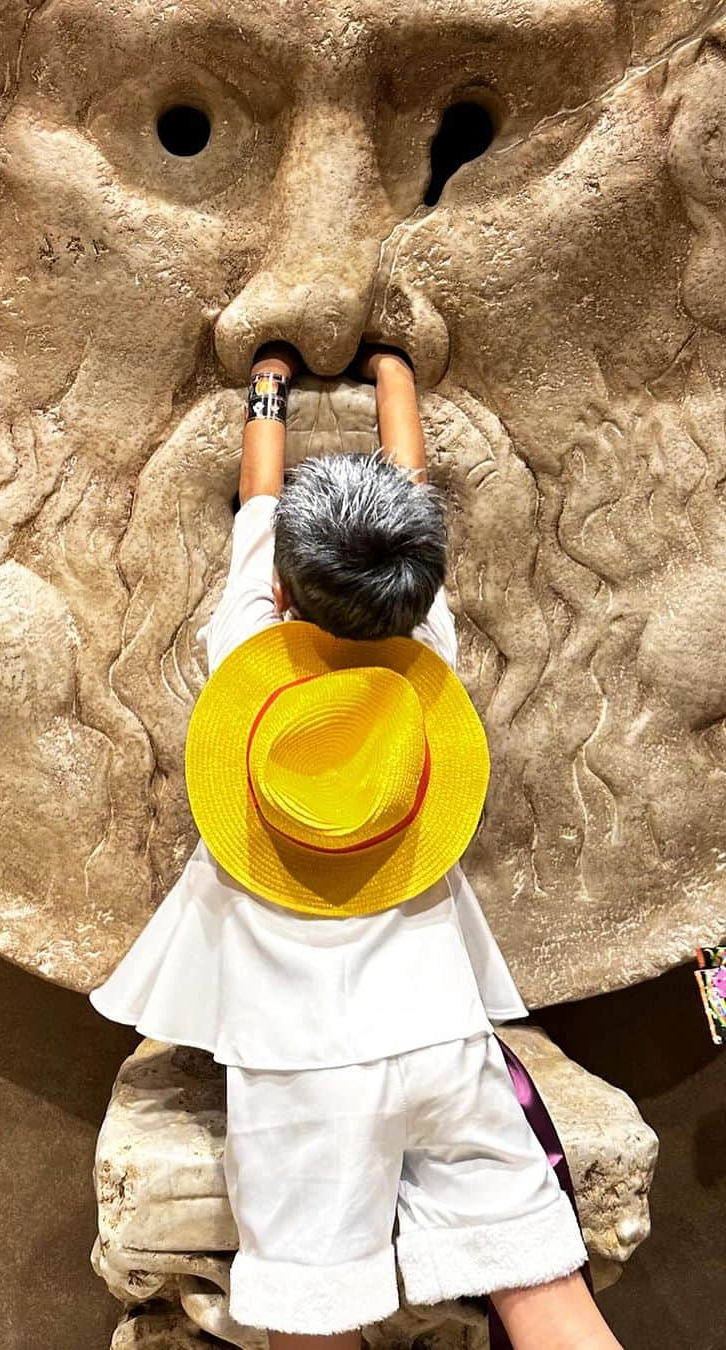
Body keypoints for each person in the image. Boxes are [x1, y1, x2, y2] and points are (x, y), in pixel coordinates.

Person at [89, 339, 624, 1350]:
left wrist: (270, 386)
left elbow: (258, 508)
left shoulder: (244, 652)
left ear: (284, 596)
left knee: (317, 1327)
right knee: (545, 1294)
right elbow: (414, 488)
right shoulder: (430, 661)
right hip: (442, 1050)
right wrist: (394, 376)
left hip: (302, 1084)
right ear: (421, 593)